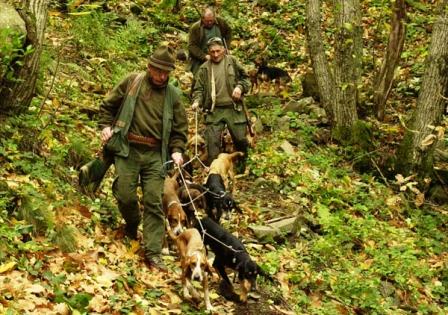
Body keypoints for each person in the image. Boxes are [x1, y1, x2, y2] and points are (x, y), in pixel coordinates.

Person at [98, 45, 188, 271]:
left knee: (154, 202)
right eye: (159, 71)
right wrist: (105, 127)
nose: (162, 76)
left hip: (155, 155)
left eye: (167, 72)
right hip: (128, 149)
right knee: (125, 195)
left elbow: (180, 129)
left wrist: (177, 149)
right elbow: (108, 105)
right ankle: (132, 224)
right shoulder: (132, 82)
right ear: (149, 67)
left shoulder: (173, 96)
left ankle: (153, 253)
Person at [191, 37, 250, 170]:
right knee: (212, 144)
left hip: (233, 108)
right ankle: (216, 173)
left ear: (223, 49)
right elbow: (198, 89)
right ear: (208, 52)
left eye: (218, 51)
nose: (216, 54)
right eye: (212, 52)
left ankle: (242, 168)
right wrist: (196, 101)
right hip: (214, 110)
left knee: (240, 140)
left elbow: (246, 79)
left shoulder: (232, 62)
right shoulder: (204, 69)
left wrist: (240, 87)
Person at [188, 7, 232, 76]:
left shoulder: (221, 23)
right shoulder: (195, 28)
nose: (209, 23)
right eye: (207, 21)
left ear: (214, 17)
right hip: (201, 59)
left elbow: (228, 33)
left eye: (211, 20)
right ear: (202, 19)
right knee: (200, 78)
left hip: (219, 55)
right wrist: (204, 56)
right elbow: (191, 46)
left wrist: (226, 48)